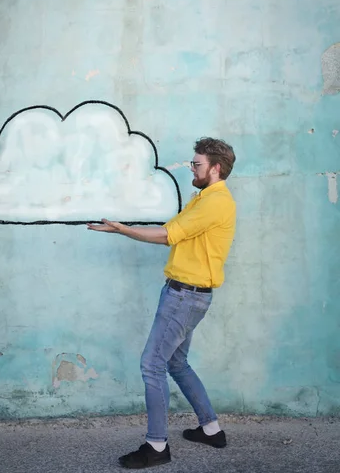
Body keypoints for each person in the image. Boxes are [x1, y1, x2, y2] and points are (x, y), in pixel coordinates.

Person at [87, 137, 236, 469]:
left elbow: (168, 235)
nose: (192, 169)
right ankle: (211, 429)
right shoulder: (204, 199)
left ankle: (156, 447)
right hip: (187, 295)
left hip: (185, 297)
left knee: (151, 364)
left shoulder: (215, 202)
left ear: (215, 168)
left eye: (196, 164)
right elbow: (172, 230)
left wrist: (121, 229)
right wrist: (122, 229)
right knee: (176, 364)